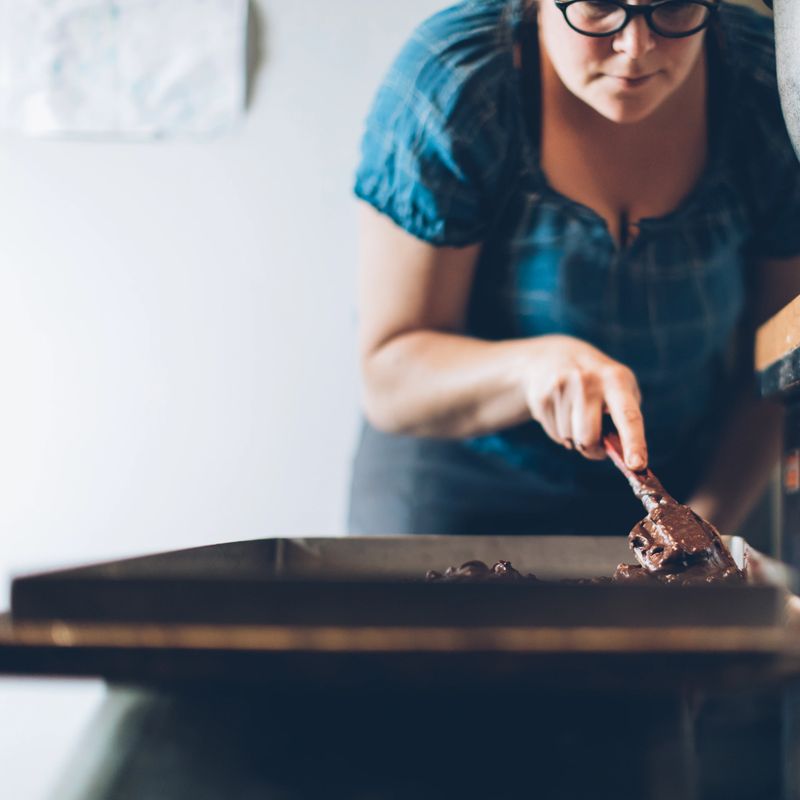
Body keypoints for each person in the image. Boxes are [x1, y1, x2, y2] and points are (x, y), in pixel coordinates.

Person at [348, 0, 800, 538]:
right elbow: (389, 377)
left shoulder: (769, 82)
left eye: (675, 7)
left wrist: (705, 523)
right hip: (459, 481)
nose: (635, 49)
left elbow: (780, 360)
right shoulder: (456, 84)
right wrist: (531, 369)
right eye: (600, 6)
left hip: (688, 473)